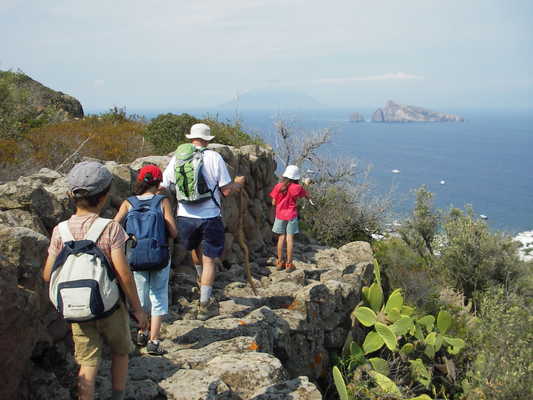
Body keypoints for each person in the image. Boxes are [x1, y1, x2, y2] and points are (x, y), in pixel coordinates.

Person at [42, 161, 149, 400]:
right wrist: (138, 309)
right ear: (105, 195)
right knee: (121, 352)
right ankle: (117, 396)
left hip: (77, 308)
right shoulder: (111, 229)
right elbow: (124, 274)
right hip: (111, 307)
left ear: (71, 195)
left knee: (87, 363)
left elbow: (48, 274)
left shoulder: (60, 230)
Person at [160, 123, 245, 320]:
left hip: (184, 216)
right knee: (209, 260)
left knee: (194, 250)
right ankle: (205, 304)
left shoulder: (178, 157)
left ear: (191, 138)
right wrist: (238, 184)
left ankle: (200, 281)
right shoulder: (214, 157)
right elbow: (225, 190)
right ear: (208, 140)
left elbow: (164, 185)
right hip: (210, 217)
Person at [114, 165, 177, 355]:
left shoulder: (128, 202)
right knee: (158, 294)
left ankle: (141, 332)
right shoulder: (162, 201)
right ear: (159, 183)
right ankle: (154, 341)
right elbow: (173, 231)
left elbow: (114, 226)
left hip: (135, 255)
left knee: (140, 294)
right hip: (159, 255)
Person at [269, 165, 310, 272]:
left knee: (281, 238)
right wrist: (306, 188)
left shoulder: (278, 186)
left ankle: (279, 262)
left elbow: (273, 203)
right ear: (296, 177)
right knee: (290, 239)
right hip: (291, 215)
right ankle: (289, 264)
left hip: (280, 215)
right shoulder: (297, 188)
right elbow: (306, 195)